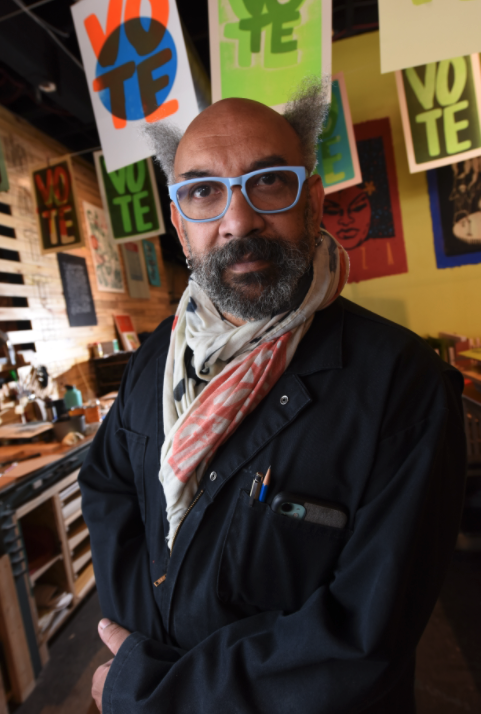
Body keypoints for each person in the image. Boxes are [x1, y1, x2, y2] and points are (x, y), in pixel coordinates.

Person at [79, 79, 466, 714]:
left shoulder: (402, 385)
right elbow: (108, 484)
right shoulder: (156, 358)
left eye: (269, 182)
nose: (237, 221)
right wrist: (138, 645)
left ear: (313, 201)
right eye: (203, 192)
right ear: (180, 226)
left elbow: (363, 639)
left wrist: (155, 690)